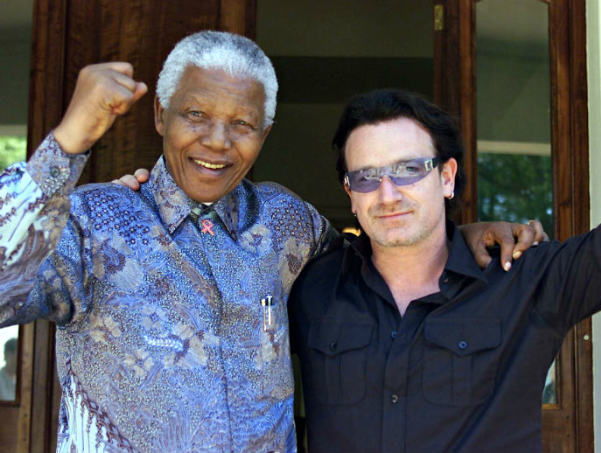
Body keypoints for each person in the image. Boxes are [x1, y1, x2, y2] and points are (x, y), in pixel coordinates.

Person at [0, 31, 540, 452]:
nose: (217, 141)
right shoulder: (92, 223)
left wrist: (453, 233)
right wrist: (69, 142)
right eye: (195, 115)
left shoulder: (286, 223)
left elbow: (374, 263)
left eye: (243, 123)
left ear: (266, 132)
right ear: (161, 115)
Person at [288, 54, 601, 452]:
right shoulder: (311, 285)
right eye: (366, 177)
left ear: (446, 178)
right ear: (350, 195)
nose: (388, 194)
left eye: (409, 169)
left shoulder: (522, 279)